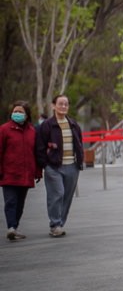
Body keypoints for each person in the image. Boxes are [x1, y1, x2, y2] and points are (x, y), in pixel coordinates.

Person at [34, 94, 84, 237]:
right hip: (54, 167)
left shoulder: (73, 124)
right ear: (53, 106)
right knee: (57, 194)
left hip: (72, 166)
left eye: (66, 104)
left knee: (67, 196)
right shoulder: (47, 125)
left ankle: (60, 224)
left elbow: (79, 144)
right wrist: (45, 165)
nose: (63, 106)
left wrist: (79, 162)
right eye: (60, 104)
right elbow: (40, 147)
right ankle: (55, 224)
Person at [1, 101, 41, 241]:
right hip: (9, 173)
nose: (17, 114)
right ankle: (11, 227)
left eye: (21, 112)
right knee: (10, 201)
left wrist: (38, 171)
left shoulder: (32, 131)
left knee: (20, 204)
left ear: (27, 115)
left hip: (26, 174)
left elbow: (36, 153)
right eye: (15, 111)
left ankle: (15, 228)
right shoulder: (4, 130)